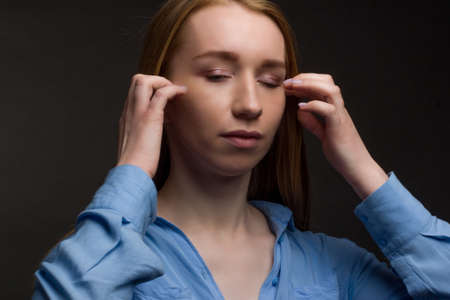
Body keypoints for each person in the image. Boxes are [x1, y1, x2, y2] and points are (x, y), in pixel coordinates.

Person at [32, 0, 450, 299]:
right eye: (218, 75)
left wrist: (363, 169)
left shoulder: (336, 267)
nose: (250, 104)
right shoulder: (107, 259)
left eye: (271, 81)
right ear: (161, 93)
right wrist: (132, 169)